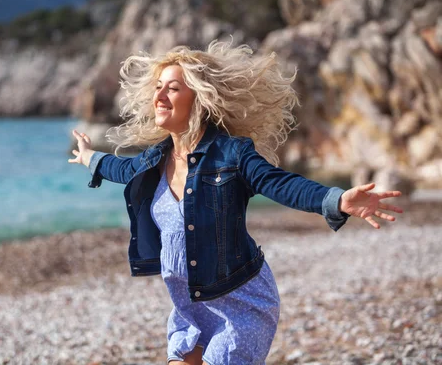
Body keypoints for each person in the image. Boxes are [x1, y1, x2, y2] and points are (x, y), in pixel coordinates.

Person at [68, 41, 403, 365]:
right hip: (189, 304)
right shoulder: (154, 161)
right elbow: (121, 168)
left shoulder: (233, 154)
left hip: (240, 300)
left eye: (172, 88)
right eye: (157, 87)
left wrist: (337, 199)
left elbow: (280, 184)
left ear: (198, 98)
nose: (159, 95)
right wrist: (88, 158)